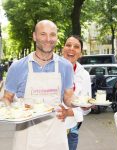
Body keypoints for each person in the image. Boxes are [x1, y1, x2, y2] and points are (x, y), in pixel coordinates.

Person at [2, 20, 74, 150]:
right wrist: (12, 112)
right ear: (35, 36)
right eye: (43, 34)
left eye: (52, 34)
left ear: (56, 37)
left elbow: (68, 99)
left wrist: (82, 105)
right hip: (26, 134)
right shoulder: (18, 67)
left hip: (55, 135)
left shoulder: (66, 66)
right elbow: (7, 97)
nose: (48, 39)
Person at [61, 35, 91, 150]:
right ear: (63, 49)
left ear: (80, 53)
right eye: (68, 45)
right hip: (51, 128)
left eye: (76, 47)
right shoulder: (51, 69)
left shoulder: (84, 75)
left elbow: (86, 106)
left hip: (72, 130)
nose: (71, 49)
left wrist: (70, 112)